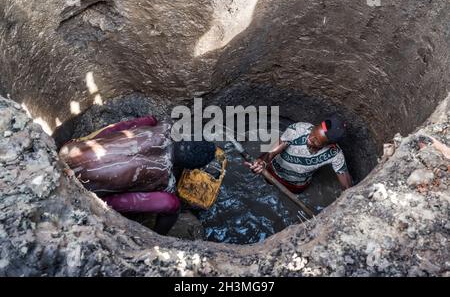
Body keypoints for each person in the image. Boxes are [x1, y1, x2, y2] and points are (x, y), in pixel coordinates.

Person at [59, 116, 216, 235]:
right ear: (188, 167)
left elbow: (122, 127)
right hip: (79, 190)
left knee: (146, 120)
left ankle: (85, 143)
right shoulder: (165, 181)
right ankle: (158, 237)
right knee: (173, 204)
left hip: (67, 151)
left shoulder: (163, 125)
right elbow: (157, 198)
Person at [246, 116, 353, 192]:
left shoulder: (335, 154)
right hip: (272, 172)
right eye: (313, 132)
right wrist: (262, 163)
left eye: (316, 141)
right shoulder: (298, 129)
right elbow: (272, 152)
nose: (310, 139)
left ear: (330, 145)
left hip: (295, 186)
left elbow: (347, 188)